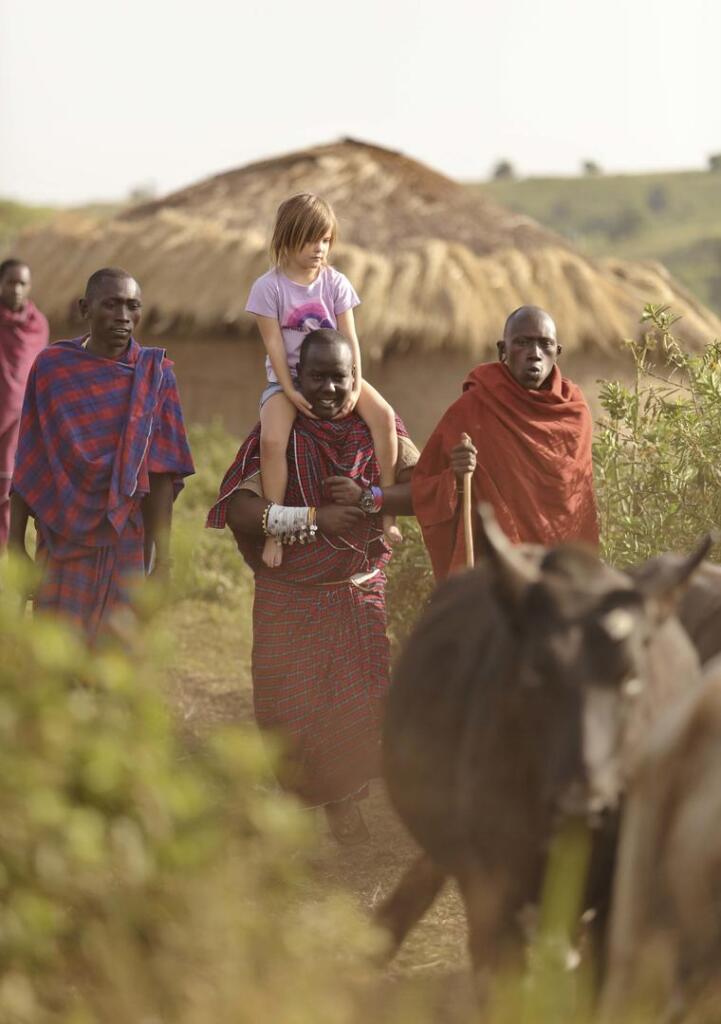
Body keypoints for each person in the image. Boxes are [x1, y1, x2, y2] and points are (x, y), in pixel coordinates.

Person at [207, 329, 417, 843]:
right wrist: (314, 518)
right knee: (289, 712)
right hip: (292, 597)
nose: (328, 389)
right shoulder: (278, 433)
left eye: (338, 378)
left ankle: (343, 807)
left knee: (356, 710)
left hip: (356, 593)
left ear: (355, 377)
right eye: (316, 377)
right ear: (296, 378)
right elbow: (240, 508)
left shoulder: (378, 431)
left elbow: (422, 491)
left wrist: (371, 499)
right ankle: (297, 812)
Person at [9, 267, 194, 642]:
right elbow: (29, 461)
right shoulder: (51, 369)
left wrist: (163, 562)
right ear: (84, 308)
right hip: (61, 539)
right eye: (111, 304)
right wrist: (15, 545)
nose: (123, 317)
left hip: (127, 541)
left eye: (132, 306)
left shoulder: (155, 376)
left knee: (116, 660)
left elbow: (160, 474)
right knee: (55, 661)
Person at [246, 192, 401, 570]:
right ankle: (276, 528)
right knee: (271, 440)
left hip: (338, 376)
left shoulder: (335, 283)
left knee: (384, 417)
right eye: (311, 239)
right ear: (287, 237)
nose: (320, 248)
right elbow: (274, 347)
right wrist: (289, 391)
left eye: (326, 240)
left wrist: (355, 381)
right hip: (289, 381)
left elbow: (350, 339)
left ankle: (387, 512)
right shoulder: (269, 288)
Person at [412, 305, 598, 580]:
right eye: (522, 343)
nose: (534, 354)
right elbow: (424, 487)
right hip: (496, 570)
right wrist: (456, 477)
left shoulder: (574, 412)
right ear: (503, 350)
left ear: (557, 353)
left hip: (561, 570)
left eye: (545, 345)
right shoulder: (473, 407)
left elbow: (576, 501)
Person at [0, 259, 49, 552]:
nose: (17, 289)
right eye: (10, 282)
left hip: (20, 421)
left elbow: (37, 372)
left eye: (23, 283)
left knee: (7, 494)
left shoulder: (37, 324)